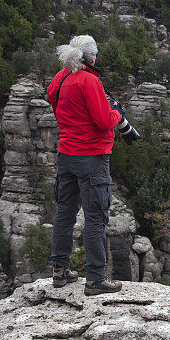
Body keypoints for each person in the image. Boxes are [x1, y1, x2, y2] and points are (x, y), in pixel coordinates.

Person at [47, 35, 125, 295]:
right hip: (91, 157)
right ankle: (95, 279)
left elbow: (51, 97)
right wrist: (118, 113)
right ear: (92, 57)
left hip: (66, 154)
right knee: (95, 218)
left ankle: (59, 271)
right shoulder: (90, 80)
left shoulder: (61, 77)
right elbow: (104, 121)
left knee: (65, 213)